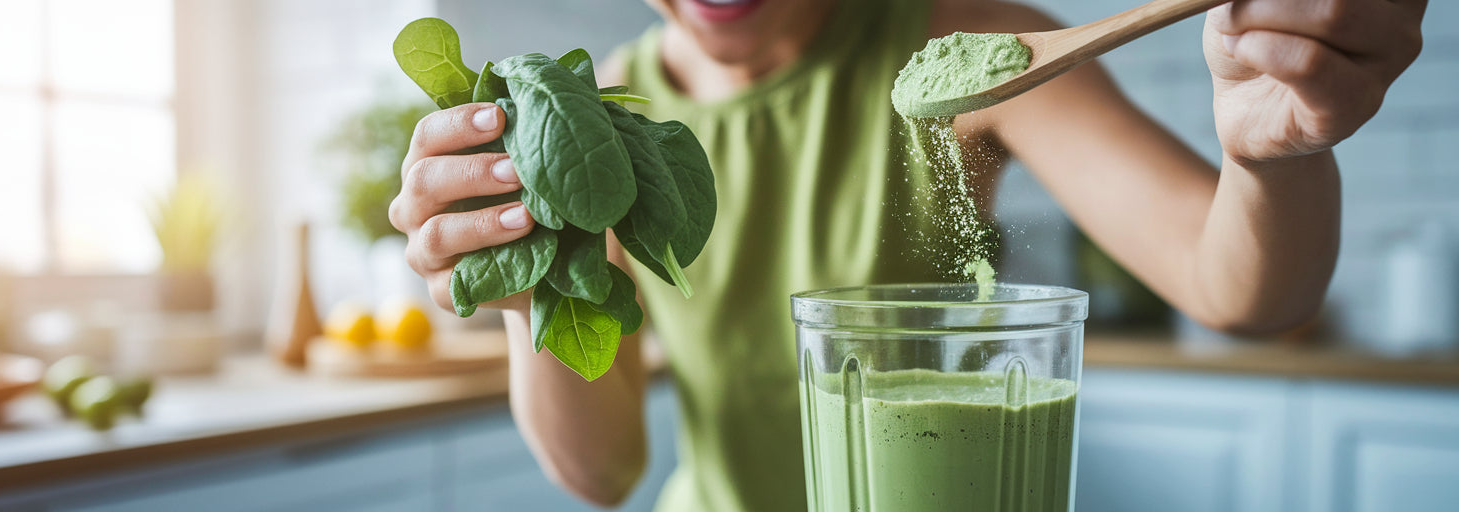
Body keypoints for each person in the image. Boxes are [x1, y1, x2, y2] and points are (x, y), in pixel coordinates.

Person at [387, 0, 1426, 510]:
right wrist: (525, 278)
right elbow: (602, 469)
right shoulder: (594, 120)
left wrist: (1275, 150)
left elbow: (1240, 287)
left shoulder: (965, 46)